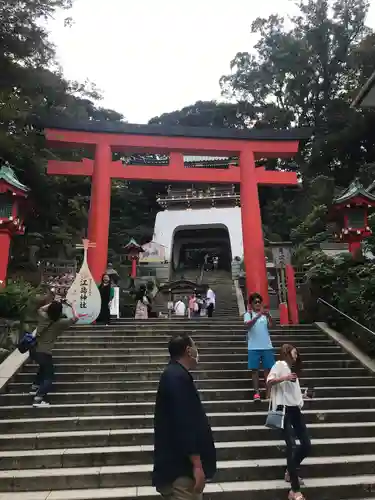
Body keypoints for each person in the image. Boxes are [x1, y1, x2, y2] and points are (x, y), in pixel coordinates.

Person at [153, 334, 217, 500]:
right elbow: (184, 424)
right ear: (188, 351)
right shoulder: (176, 377)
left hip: (179, 468)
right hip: (181, 472)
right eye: (195, 347)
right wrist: (197, 465)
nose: (197, 351)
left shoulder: (175, 375)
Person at [267, 344, 311, 500]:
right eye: (294, 352)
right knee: (291, 446)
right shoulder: (280, 365)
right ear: (287, 352)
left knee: (306, 445)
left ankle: (290, 470)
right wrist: (284, 378)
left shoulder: (293, 371)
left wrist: (304, 396)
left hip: (295, 410)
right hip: (284, 410)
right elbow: (269, 381)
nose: (296, 354)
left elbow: (292, 393)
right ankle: (295, 490)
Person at [30, 298, 79, 407]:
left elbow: (41, 308)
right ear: (60, 312)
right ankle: (38, 398)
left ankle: (35, 386)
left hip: (33, 350)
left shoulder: (43, 316)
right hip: (44, 352)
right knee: (49, 376)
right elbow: (76, 318)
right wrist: (72, 305)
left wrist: (54, 303)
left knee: (43, 368)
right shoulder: (60, 323)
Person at [244, 293, 274, 401]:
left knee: (268, 370)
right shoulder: (248, 314)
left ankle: (268, 393)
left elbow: (271, 326)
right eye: (255, 302)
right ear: (251, 304)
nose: (257, 304)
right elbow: (247, 325)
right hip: (253, 347)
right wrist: (257, 315)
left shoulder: (265, 315)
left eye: (259, 302)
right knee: (254, 371)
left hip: (267, 346)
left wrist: (268, 315)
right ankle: (256, 393)